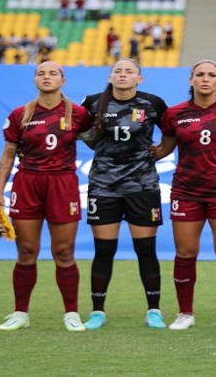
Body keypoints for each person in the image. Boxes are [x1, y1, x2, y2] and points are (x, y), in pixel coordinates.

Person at [0, 62, 92, 331]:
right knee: (26, 251)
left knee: (63, 252)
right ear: (35, 80)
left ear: (63, 80)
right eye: (41, 73)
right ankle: (20, 314)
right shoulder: (21, 114)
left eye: (52, 73)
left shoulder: (79, 113)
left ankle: (71, 313)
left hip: (63, 184)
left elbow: (97, 141)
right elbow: (7, 156)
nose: (46, 77)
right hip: (27, 183)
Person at [153, 60, 216, 330]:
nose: (205, 79)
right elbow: (164, 149)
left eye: (212, 75)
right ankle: (185, 313)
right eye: (200, 75)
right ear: (191, 80)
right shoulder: (175, 113)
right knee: (185, 252)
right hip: (186, 191)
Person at [79, 59, 169, 330]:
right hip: (104, 187)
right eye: (118, 70)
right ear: (110, 76)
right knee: (104, 250)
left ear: (139, 79)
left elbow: (175, 133)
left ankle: (154, 310)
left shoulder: (153, 103)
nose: (123, 74)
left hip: (142, 187)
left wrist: (162, 151)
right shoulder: (93, 103)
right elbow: (82, 132)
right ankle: (98, 312)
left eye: (129, 71)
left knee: (146, 250)